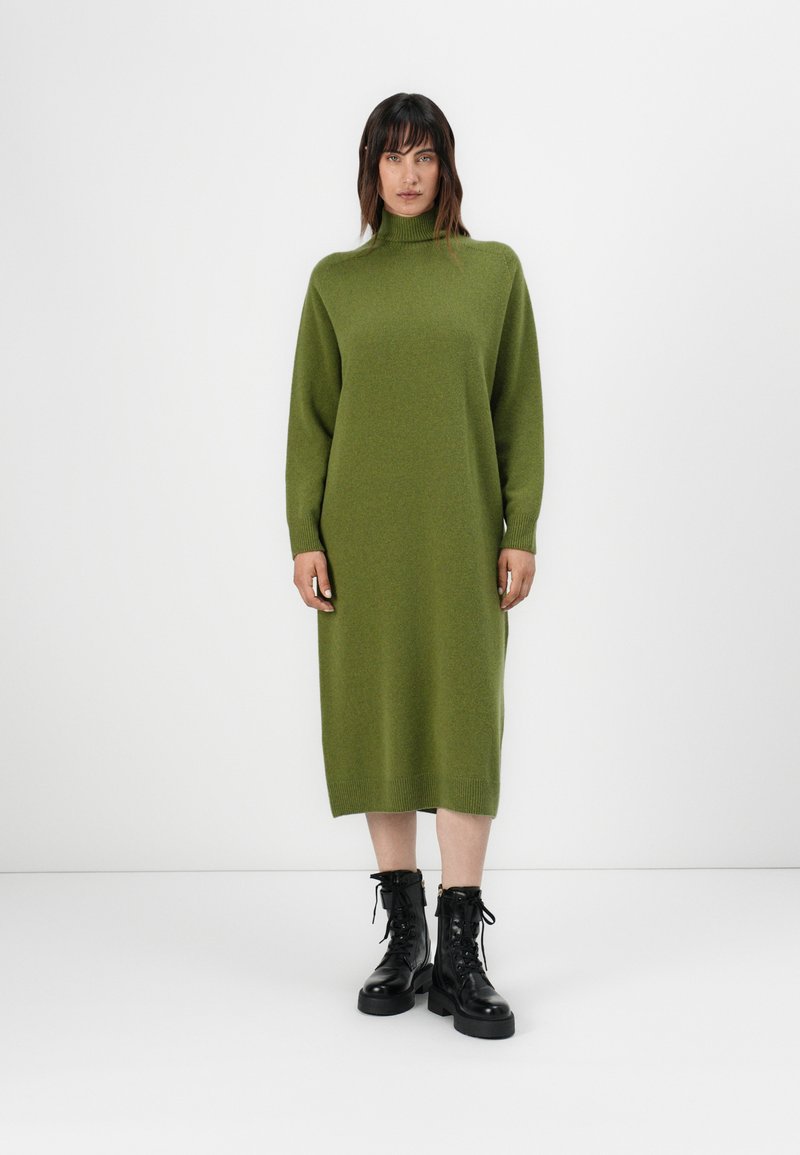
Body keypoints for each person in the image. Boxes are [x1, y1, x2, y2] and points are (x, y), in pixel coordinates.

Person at [285, 93, 544, 1040]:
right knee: (380, 716)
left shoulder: (493, 272)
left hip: (463, 533)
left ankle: (461, 951)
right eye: (391, 157)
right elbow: (311, 419)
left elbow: (518, 407)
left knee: (466, 721)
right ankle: (405, 937)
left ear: (445, 166)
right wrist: (304, 534)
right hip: (363, 541)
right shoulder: (335, 283)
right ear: (371, 170)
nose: (407, 173)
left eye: (423, 155)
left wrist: (520, 527)